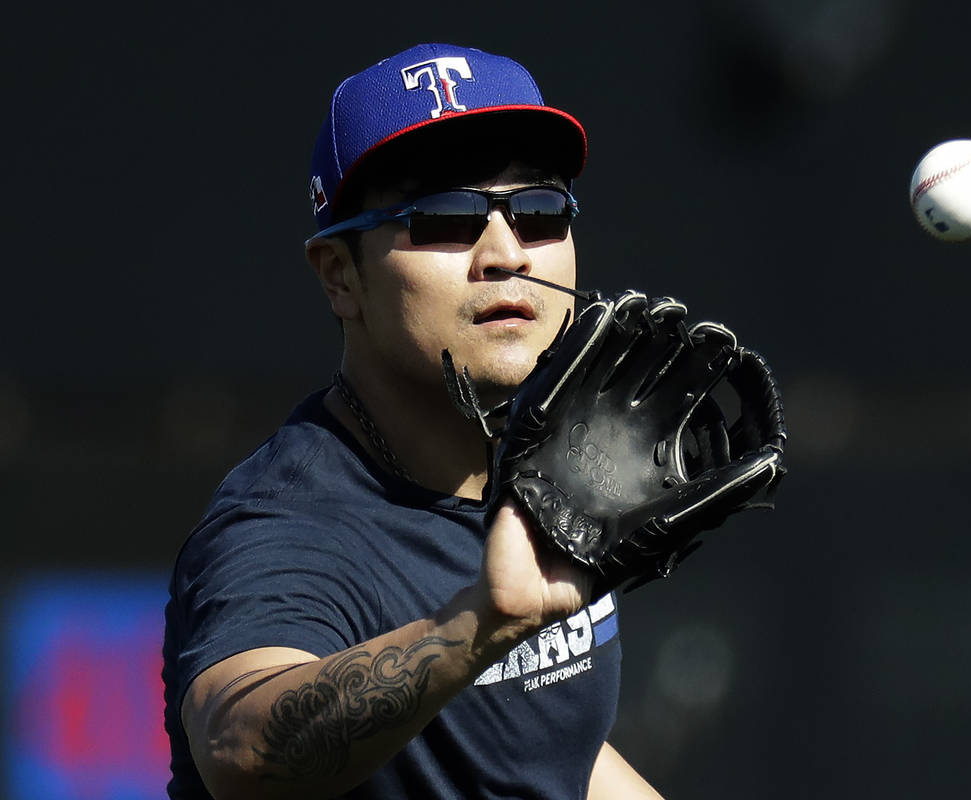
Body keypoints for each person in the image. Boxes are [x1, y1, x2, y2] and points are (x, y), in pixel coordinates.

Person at [162, 43, 662, 799]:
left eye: (538, 211)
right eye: (445, 217)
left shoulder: (540, 467)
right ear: (340, 276)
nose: (504, 253)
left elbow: (547, 760)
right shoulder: (290, 521)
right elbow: (239, 750)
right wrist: (481, 626)